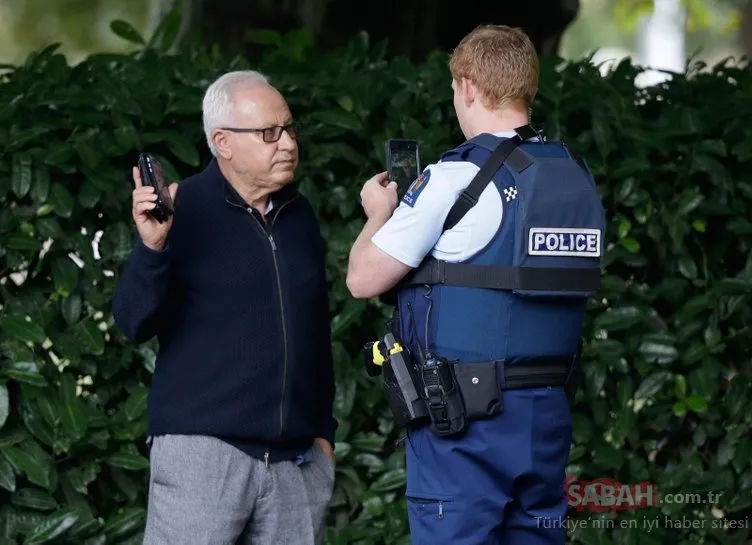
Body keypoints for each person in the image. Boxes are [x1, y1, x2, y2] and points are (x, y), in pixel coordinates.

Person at [346, 25, 605, 545]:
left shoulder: (455, 178)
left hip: (465, 423)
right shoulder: (575, 175)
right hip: (546, 417)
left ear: (466, 86)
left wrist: (378, 215)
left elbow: (362, 279)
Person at [112, 70, 337, 545]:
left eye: (290, 128)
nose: (288, 143)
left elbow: (316, 329)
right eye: (269, 133)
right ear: (223, 143)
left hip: (297, 462)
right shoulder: (180, 209)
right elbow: (134, 322)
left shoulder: (298, 213)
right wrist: (151, 248)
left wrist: (324, 436)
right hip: (204, 453)